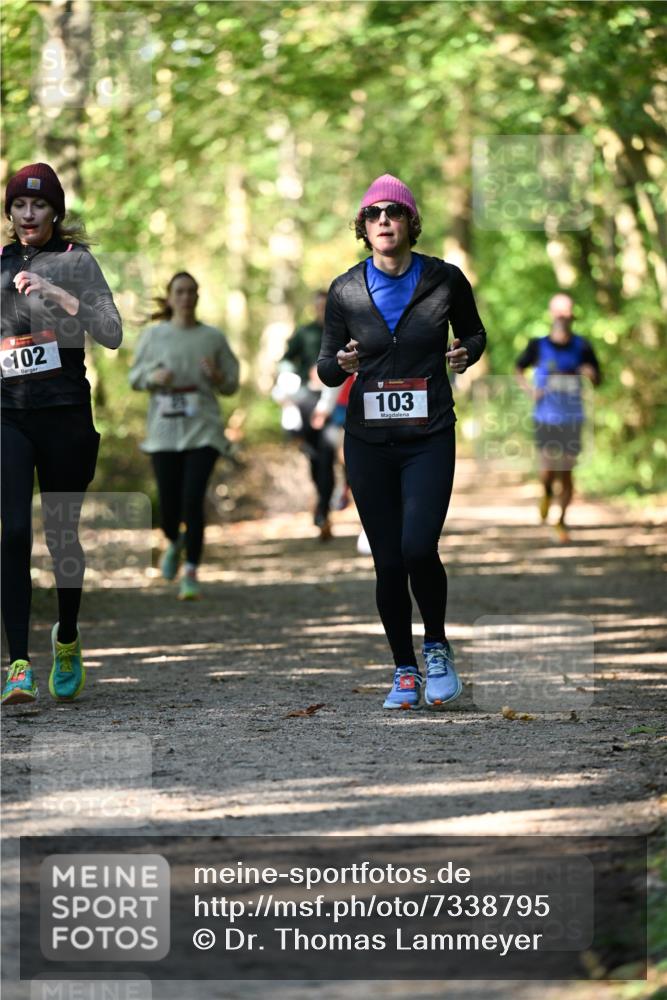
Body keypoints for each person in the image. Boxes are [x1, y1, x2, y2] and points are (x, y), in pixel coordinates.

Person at [317, 174, 486, 710]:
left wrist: (466, 353)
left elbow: (476, 333)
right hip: (368, 441)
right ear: (364, 229)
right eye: (373, 214)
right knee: (388, 560)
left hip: (428, 435)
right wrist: (338, 365)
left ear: (411, 222)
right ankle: (404, 669)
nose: (384, 220)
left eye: (393, 212)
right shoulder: (345, 289)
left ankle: (436, 647)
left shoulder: (445, 279)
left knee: (418, 547)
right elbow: (324, 367)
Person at [1, 162, 122, 705]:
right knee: (11, 536)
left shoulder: (77, 263)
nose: (29, 215)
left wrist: (59, 292)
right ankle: (19, 665)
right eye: (20, 206)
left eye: (40, 205)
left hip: (65, 415)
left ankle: (67, 637)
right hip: (8, 415)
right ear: (10, 212)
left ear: (56, 212)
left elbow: (111, 332)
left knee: (61, 538)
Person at [129, 272, 239, 599]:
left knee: (193, 500)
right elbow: (134, 378)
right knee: (169, 504)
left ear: (198, 296)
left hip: (203, 428)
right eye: (180, 291)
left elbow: (231, 383)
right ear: (170, 296)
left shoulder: (213, 337)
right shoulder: (153, 337)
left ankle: (191, 572)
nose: (186, 297)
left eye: (192, 291)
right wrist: (154, 376)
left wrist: (217, 375)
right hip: (163, 432)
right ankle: (174, 542)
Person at [515, 293, 601, 542]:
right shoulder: (538, 345)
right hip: (546, 417)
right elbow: (519, 368)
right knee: (547, 470)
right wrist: (531, 390)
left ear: (573, 316)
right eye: (559, 312)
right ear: (552, 314)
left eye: (568, 312)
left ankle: (561, 521)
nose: (563, 317)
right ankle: (546, 493)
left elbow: (597, 379)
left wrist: (589, 373)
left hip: (573, 417)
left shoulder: (583, 346)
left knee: (567, 472)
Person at [279, 291, 337, 540]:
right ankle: (322, 506)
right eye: (319, 306)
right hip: (307, 401)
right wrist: (293, 378)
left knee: (328, 456)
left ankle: (324, 508)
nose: (322, 310)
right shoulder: (304, 333)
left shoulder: (343, 331)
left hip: (335, 401)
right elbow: (285, 361)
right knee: (315, 459)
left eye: (326, 306)